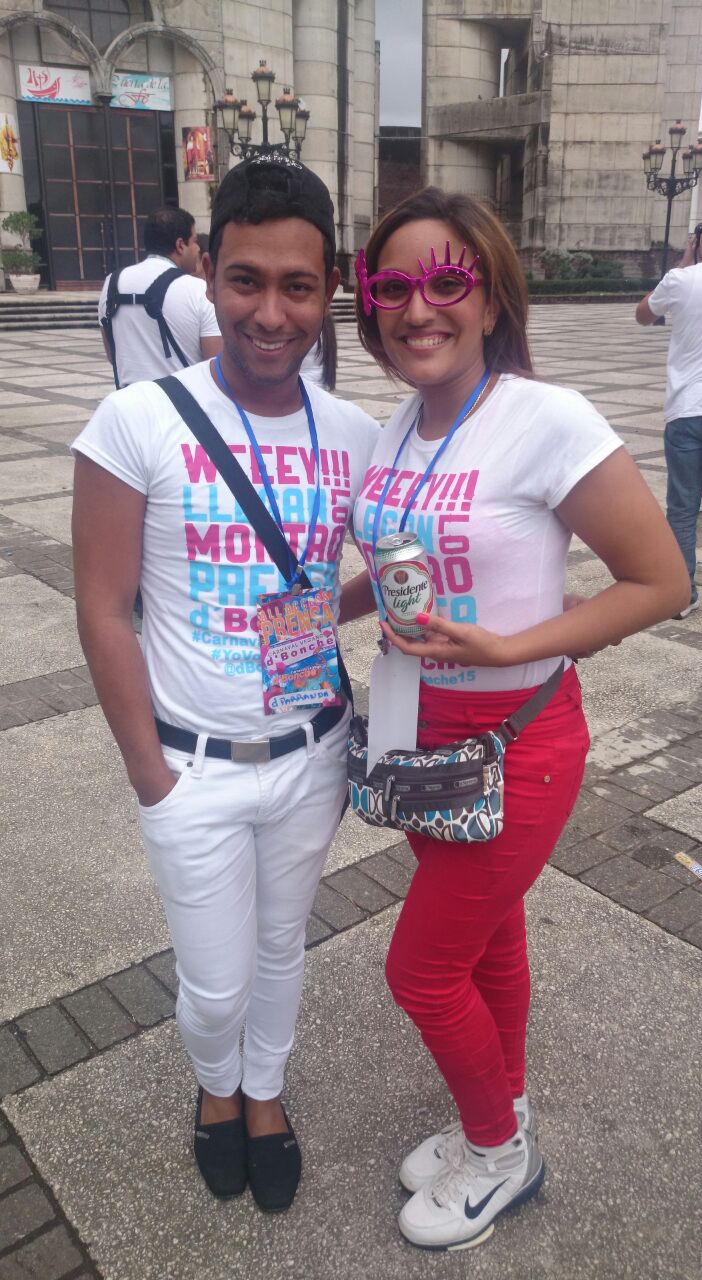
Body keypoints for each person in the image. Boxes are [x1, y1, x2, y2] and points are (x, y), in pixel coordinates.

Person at [340, 188, 689, 1252]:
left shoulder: (548, 418)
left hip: (516, 735)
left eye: (446, 280)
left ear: (490, 296)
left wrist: (509, 645)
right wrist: (306, 614)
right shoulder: (400, 426)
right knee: (486, 936)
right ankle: (505, 1106)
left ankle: (500, 1156)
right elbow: (398, 568)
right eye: (392, 285)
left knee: (420, 969)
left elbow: (663, 581)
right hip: (416, 729)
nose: (418, 307)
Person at [72, 153, 379, 1211]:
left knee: (283, 945)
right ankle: (216, 1085)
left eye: (297, 286)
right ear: (209, 273)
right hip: (190, 767)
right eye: (245, 280)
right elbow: (104, 608)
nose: (270, 313)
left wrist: (337, 612)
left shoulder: (354, 434)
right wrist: (150, 776)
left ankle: (265, 1093)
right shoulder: (138, 421)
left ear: (329, 287)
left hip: (312, 753)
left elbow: (391, 571)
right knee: (213, 982)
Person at [636, 206, 702, 617]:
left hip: (686, 409)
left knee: (683, 509)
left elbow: (644, 315)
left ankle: (684, 596)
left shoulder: (682, 279)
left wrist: (686, 260)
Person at [98, 206, 222, 387]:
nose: (197, 249)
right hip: (183, 401)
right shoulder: (199, 291)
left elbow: (113, 355)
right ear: (180, 245)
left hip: (128, 400)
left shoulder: (111, 284)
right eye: (194, 241)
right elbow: (216, 366)